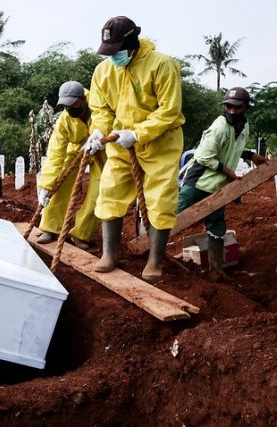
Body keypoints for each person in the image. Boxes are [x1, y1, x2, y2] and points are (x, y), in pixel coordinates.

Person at [85, 16, 185, 281]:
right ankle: (110, 254)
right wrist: (99, 130)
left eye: (117, 51)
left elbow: (169, 111)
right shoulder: (103, 71)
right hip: (119, 142)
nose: (113, 57)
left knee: (159, 201)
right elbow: (101, 108)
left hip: (160, 144)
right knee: (110, 192)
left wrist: (139, 133)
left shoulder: (163, 65)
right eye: (109, 52)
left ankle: (154, 261)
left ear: (132, 45)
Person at [178, 87, 268, 278]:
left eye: (237, 107)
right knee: (175, 216)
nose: (232, 111)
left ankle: (216, 269)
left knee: (217, 225)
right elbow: (203, 157)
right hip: (198, 182)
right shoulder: (219, 128)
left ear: (246, 108)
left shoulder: (244, 127)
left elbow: (233, 149)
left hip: (218, 186)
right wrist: (230, 173)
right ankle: (151, 253)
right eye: (228, 107)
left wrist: (252, 155)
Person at [36, 81, 103, 250]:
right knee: (61, 182)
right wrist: (45, 186)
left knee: (100, 191)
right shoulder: (64, 120)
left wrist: (99, 137)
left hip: (101, 149)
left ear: (82, 99)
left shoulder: (98, 105)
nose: (68, 109)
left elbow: (110, 121)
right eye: (65, 105)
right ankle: (50, 228)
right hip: (76, 151)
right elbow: (55, 154)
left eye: (72, 104)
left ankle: (82, 234)